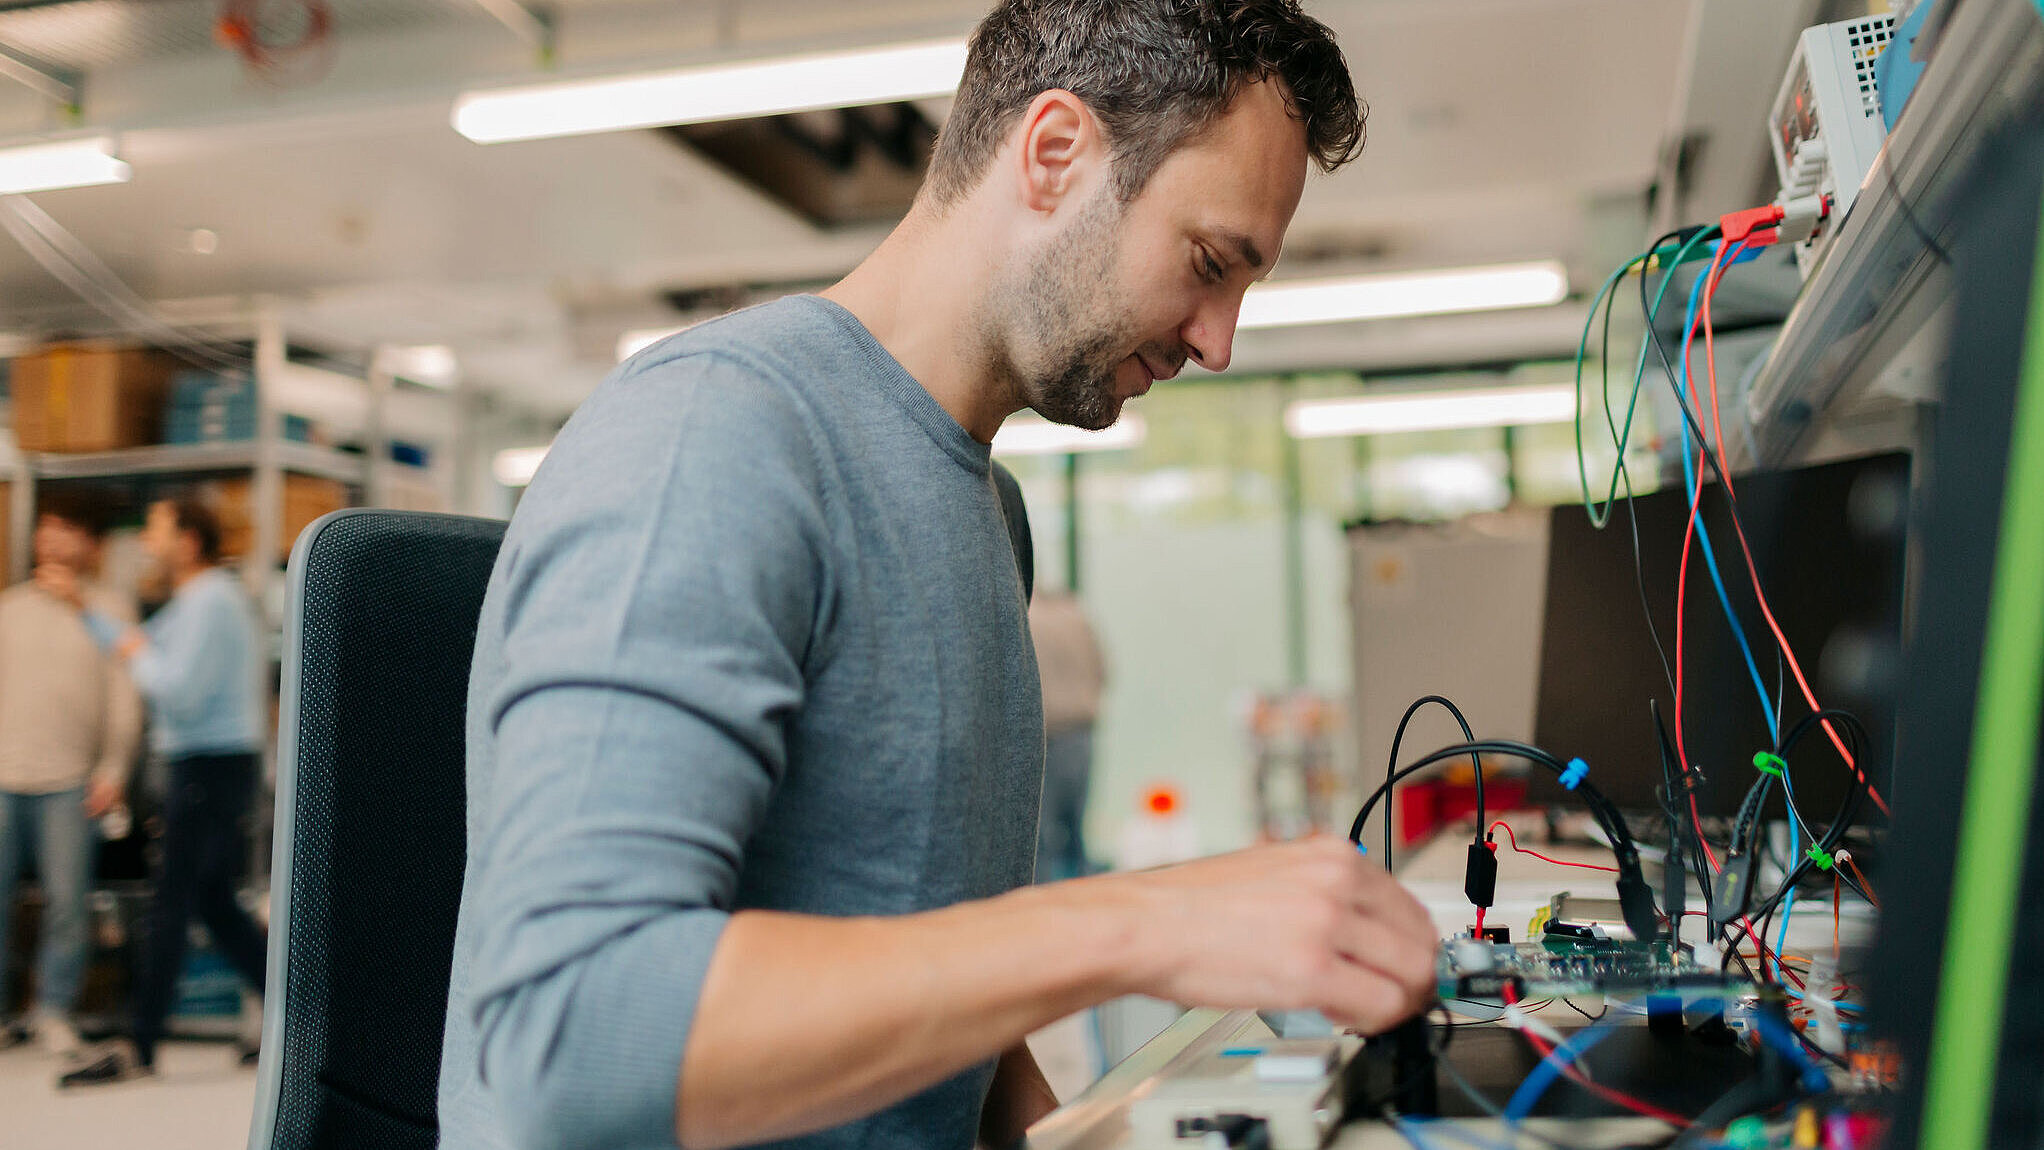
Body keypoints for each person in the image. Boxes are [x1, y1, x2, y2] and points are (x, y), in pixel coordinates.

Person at [439, 4, 1439, 1149]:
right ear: (1054, 154)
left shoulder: (981, 507)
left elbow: (921, 959)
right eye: (1209, 263)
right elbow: (566, 1036)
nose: (1218, 341)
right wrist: (1136, 919)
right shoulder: (712, 438)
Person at [45, 497, 269, 1085]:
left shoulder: (210, 602)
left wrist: (129, 650)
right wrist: (91, 614)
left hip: (207, 765)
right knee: (213, 901)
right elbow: (144, 640)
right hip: (213, 764)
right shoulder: (201, 601)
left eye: (156, 528)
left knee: (172, 900)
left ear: (189, 541)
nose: (146, 540)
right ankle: (300, 1017)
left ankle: (139, 1043)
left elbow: (176, 689)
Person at [0, 493, 141, 1057]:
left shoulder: (111, 611)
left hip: (72, 782)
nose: (54, 540)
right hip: (4, 775)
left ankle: (53, 1010)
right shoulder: (9, 608)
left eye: (68, 529)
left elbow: (125, 697)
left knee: (67, 902)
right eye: (48, 528)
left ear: (91, 543)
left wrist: (115, 768)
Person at [1030, 589, 1106, 882]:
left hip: (1044, 737)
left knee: (1041, 838)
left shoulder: (1026, 618)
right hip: (1080, 734)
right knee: (1076, 830)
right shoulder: (1077, 615)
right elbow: (1103, 670)